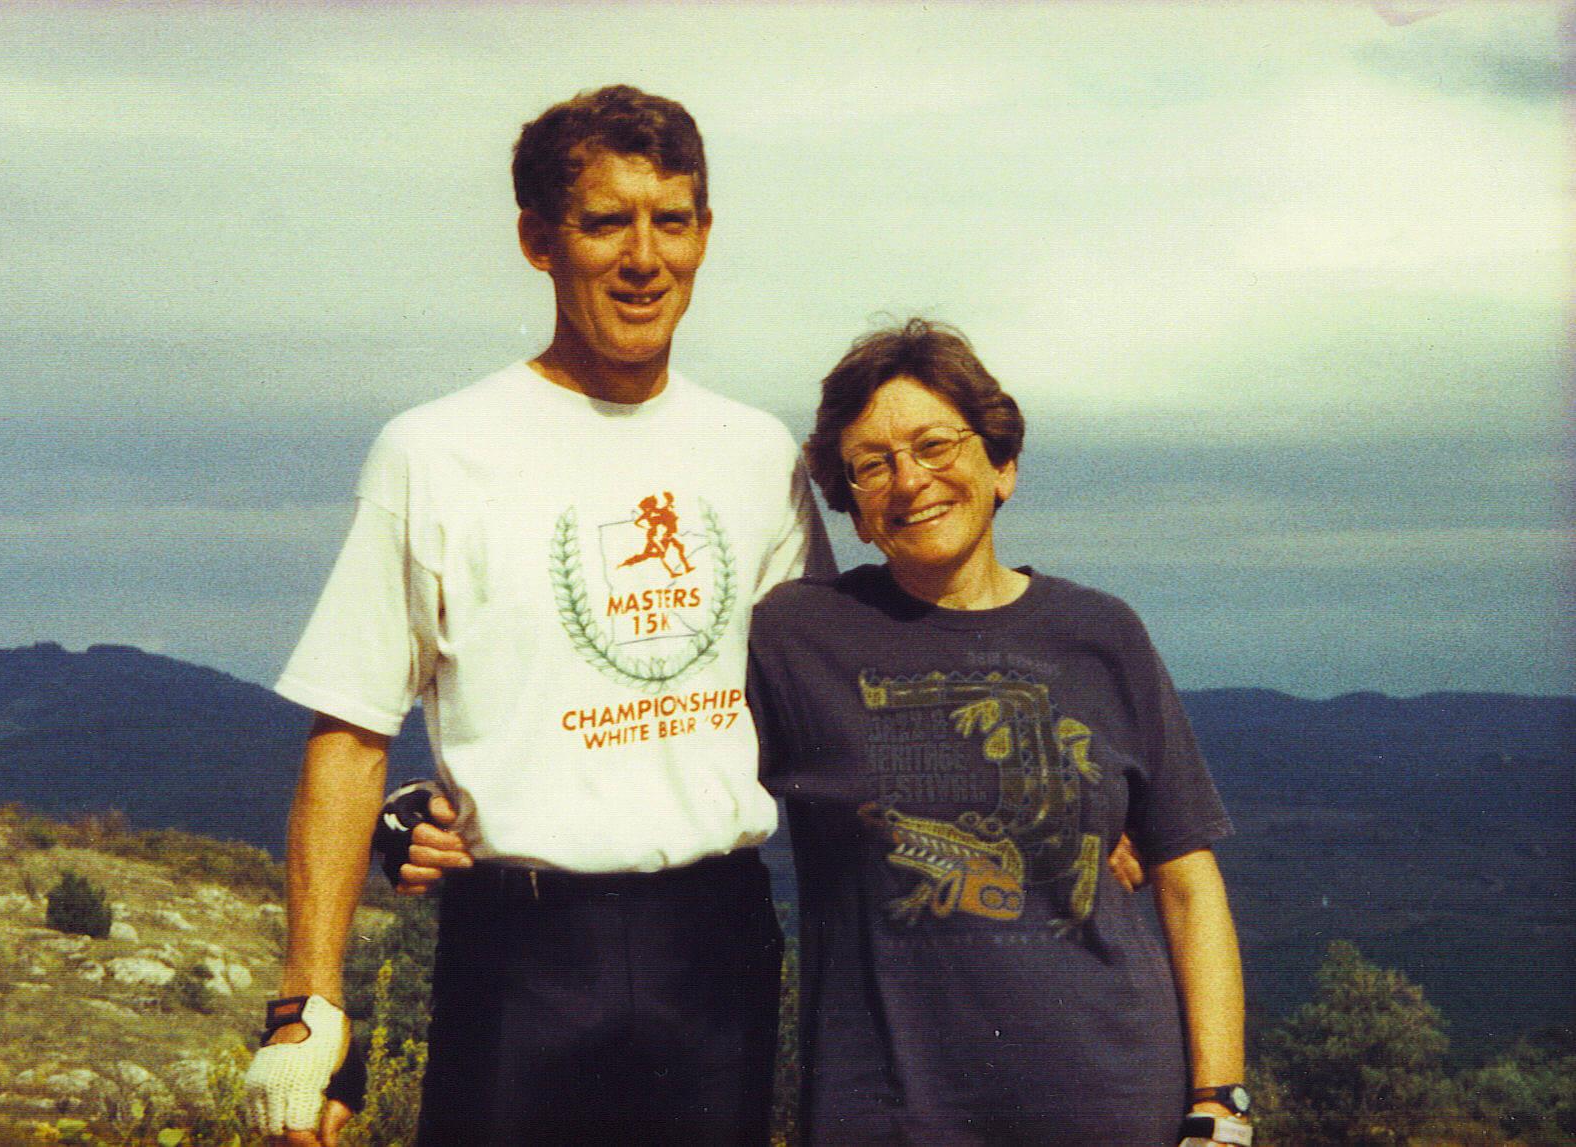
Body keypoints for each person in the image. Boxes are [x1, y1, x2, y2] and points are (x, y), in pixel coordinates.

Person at [241, 85, 830, 1147]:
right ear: (537, 241)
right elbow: (349, 729)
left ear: (705, 233)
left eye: (674, 219)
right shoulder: (435, 451)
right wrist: (306, 1003)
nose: (644, 257)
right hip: (520, 954)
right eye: (607, 221)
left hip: (718, 945)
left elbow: (834, 701)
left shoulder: (759, 456)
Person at [745, 319, 1251, 1146]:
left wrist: (1221, 1103)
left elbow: (1189, 878)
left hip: (1117, 1105)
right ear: (857, 513)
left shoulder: (1101, 633)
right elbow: (664, 749)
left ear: (1002, 464)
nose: (911, 480)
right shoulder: (798, 637)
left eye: (936, 445)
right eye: (873, 464)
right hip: (888, 1117)